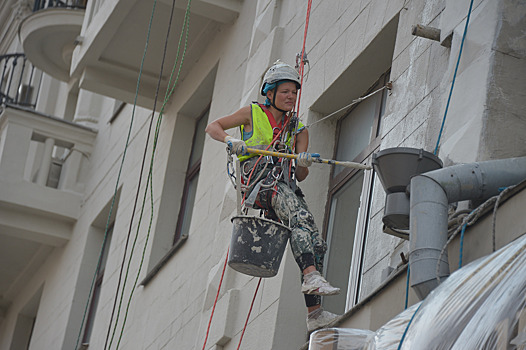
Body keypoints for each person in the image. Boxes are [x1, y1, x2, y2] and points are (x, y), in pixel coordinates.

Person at [205, 61, 340, 332]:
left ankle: (314, 313)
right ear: (271, 93)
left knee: (316, 242)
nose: (290, 97)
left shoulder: (298, 129)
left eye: (294, 92)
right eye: (285, 91)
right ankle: (311, 275)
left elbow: (300, 175)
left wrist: (304, 161)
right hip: (260, 182)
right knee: (299, 217)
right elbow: (213, 126)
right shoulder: (252, 113)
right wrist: (231, 140)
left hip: (283, 184)